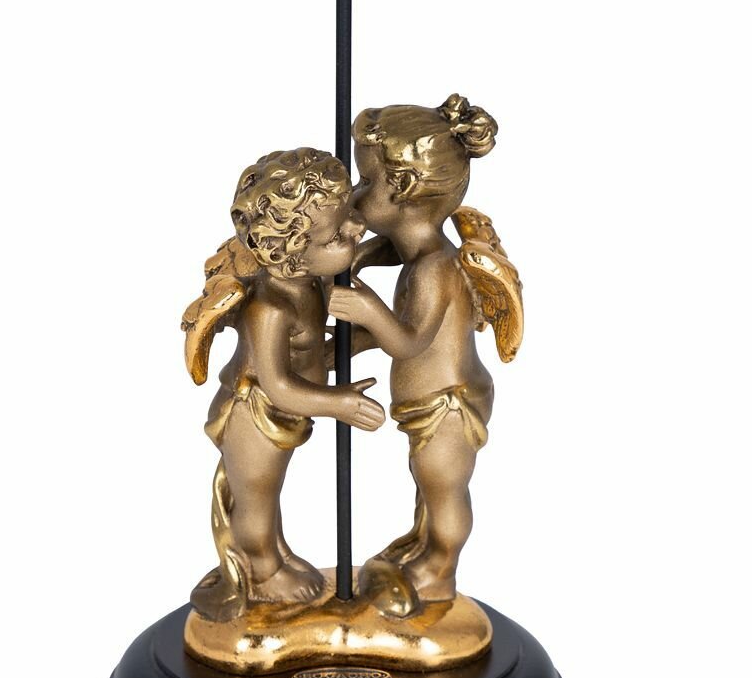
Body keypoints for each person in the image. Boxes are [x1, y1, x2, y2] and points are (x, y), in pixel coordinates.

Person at [329, 95, 519, 616]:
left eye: (366, 181)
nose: (355, 194)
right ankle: (423, 546)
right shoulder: (415, 258)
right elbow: (399, 335)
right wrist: (342, 346)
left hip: (448, 404)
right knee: (427, 479)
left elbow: (408, 341)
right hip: (427, 400)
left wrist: (366, 309)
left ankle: (440, 569)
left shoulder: (434, 268)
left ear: (403, 188)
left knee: (442, 486)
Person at [182, 147, 383, 621]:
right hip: (256, 417)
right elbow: (277, 384)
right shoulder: (270, 308)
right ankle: (261, 571)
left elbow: (310, 353)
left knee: (267, 498)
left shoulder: (309, 282)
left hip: (282, 418)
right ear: (289, 258)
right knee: (257, 499)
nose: (357, 227)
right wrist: (339, 404)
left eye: (350, 215)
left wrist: (364, 340)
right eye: (338, 235)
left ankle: (274, 555)